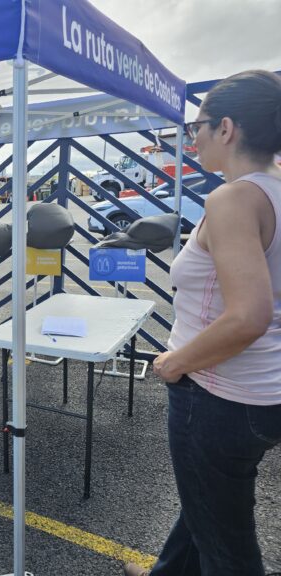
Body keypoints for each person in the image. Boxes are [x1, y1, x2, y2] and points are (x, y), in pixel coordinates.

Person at [124, 70, 281, 576]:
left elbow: (249, 316)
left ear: (227, 129)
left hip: (217, 396)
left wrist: (175, 364)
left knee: (227, 549)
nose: (193, 137)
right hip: (262, 392)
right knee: (207, 502)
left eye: (199, 126)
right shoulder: (274, 190)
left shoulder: (233, 199)